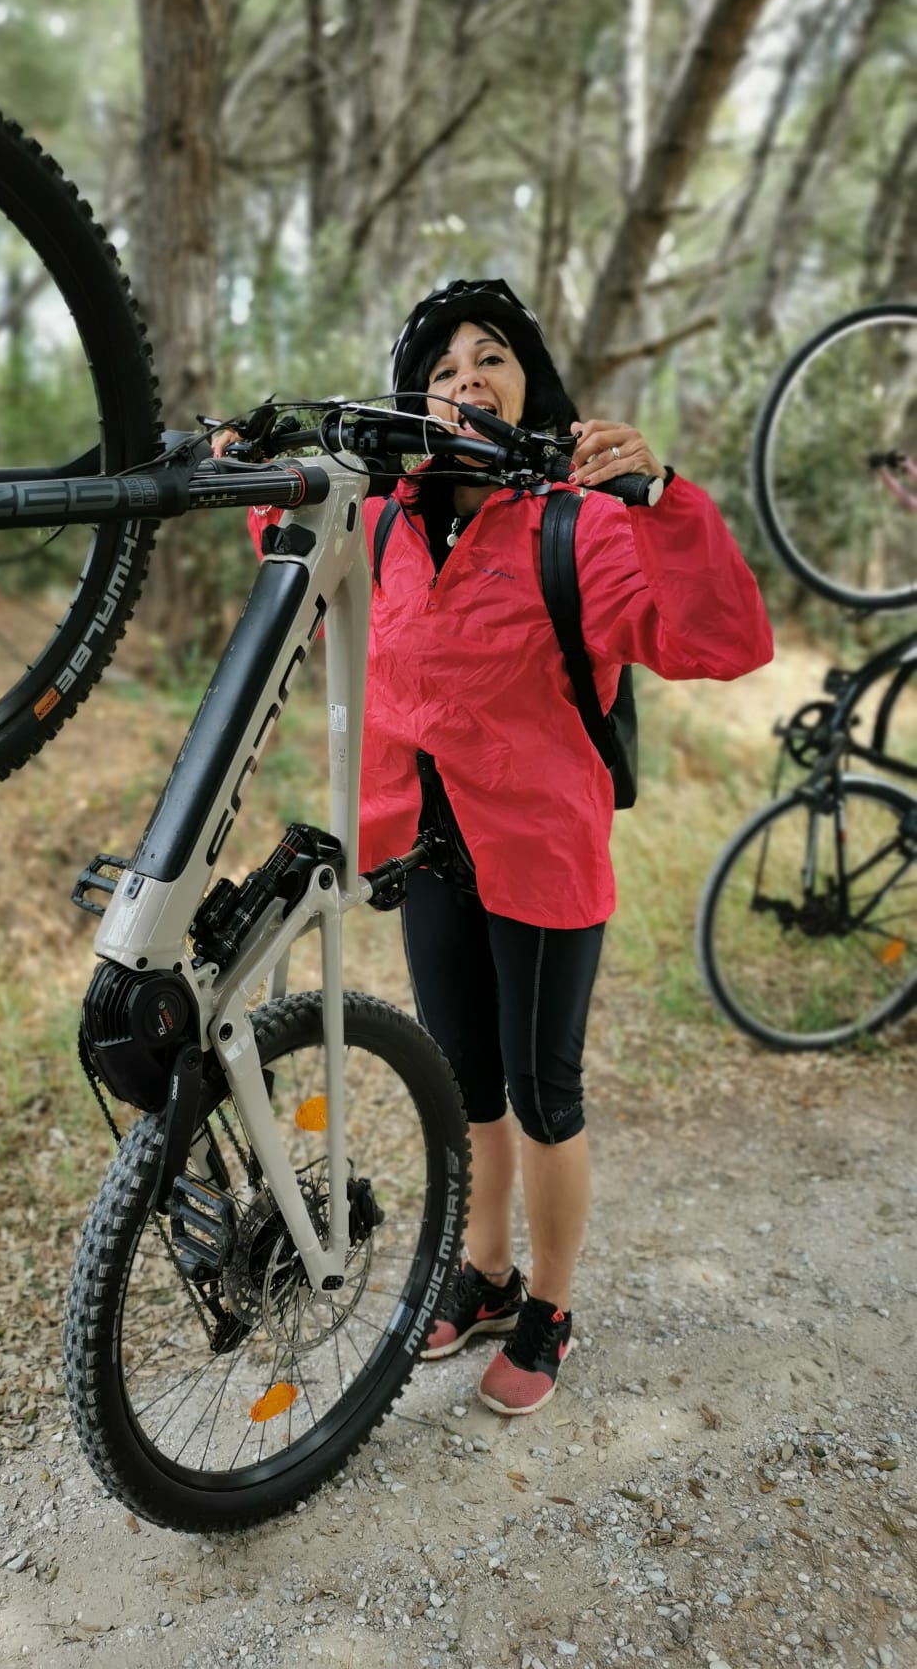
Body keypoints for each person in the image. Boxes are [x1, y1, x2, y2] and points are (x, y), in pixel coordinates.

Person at [222, 277, 773, 1417]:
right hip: (429, 851)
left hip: (542, 854)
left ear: (532, 390)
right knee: (467, 1082)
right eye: (440, 370)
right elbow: (291, 543)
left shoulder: (582, 525)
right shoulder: (382, 524)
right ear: (414, 403)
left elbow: (723, 640)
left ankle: (550, 1309)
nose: (464, 381)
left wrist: (661, 497)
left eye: (490, 360)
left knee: (541, 1094)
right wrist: (246, 467)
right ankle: (484, 1276)